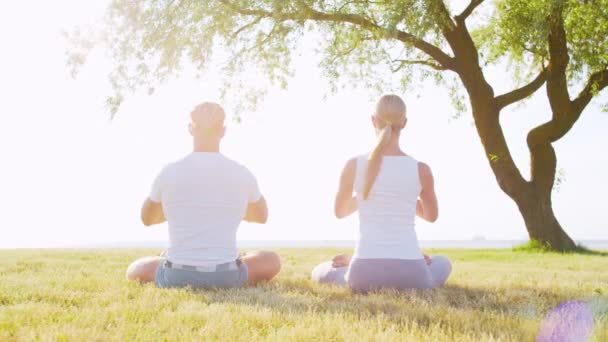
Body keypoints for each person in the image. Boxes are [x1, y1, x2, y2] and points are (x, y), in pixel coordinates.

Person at [125, 102, 281, 289]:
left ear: (191, 129)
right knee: (271, 259)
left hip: (176, 276)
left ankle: (168, 258)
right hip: (227, 276)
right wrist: (224, 210)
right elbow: (260, 217)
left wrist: (184, 210)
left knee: (135, 268)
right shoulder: (242, 173)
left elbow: (147, 219)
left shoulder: (169, 172)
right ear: (223, 131)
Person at [311, 94, 451, 292]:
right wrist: (404, 197)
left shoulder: (353, 165)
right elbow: (431, 216)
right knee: (442, 262)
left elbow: (340, 212)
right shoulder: (422, 169)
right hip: (413, 273)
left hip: (363, 274)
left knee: (321, 269)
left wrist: (368, 193)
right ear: (404, 123)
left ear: (373, 121)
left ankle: (352, 263)